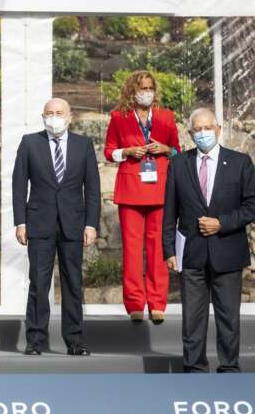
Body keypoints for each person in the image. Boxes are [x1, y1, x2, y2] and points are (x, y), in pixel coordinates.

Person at [163, 108, 255, 373]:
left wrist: (222, 223)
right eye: (197, 130)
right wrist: (169, 250)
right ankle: (194, 368)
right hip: (191, 253)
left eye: (207, 128)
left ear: (218, 129)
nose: (202, 134)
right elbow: (170, 210)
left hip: (228, 251)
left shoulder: (239, 162)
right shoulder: (179, 164)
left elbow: (251, 204)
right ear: (190, 133)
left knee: (228, 316)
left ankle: (229, 368)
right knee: (192, 317)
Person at [13, 98, 100, 356]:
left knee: (73, 282)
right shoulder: (30, 143)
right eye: (49, 113)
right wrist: (20, 221)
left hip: (73, 224)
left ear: (70, 116)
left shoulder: (83, 145)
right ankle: (36, 340)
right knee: (39, 283)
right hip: (39, 223)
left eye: (59, 113)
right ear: (42, 116)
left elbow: (93, 189)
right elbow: (19, 186)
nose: (54, 117)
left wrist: (91, 224)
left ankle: (75, 340)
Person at [103, 70, 180, 324]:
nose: (146, 92)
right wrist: (127, 151)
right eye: (141, 88)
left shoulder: (167, 117)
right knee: (133, 250)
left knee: (159, 248)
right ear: (131, 91)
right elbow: (109, 152)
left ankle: (157, 303)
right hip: (130, 190)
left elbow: (178, 152)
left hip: (160, 190)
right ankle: (135, 303)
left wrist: (166, 149)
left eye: (150, 88)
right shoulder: (118, 117)